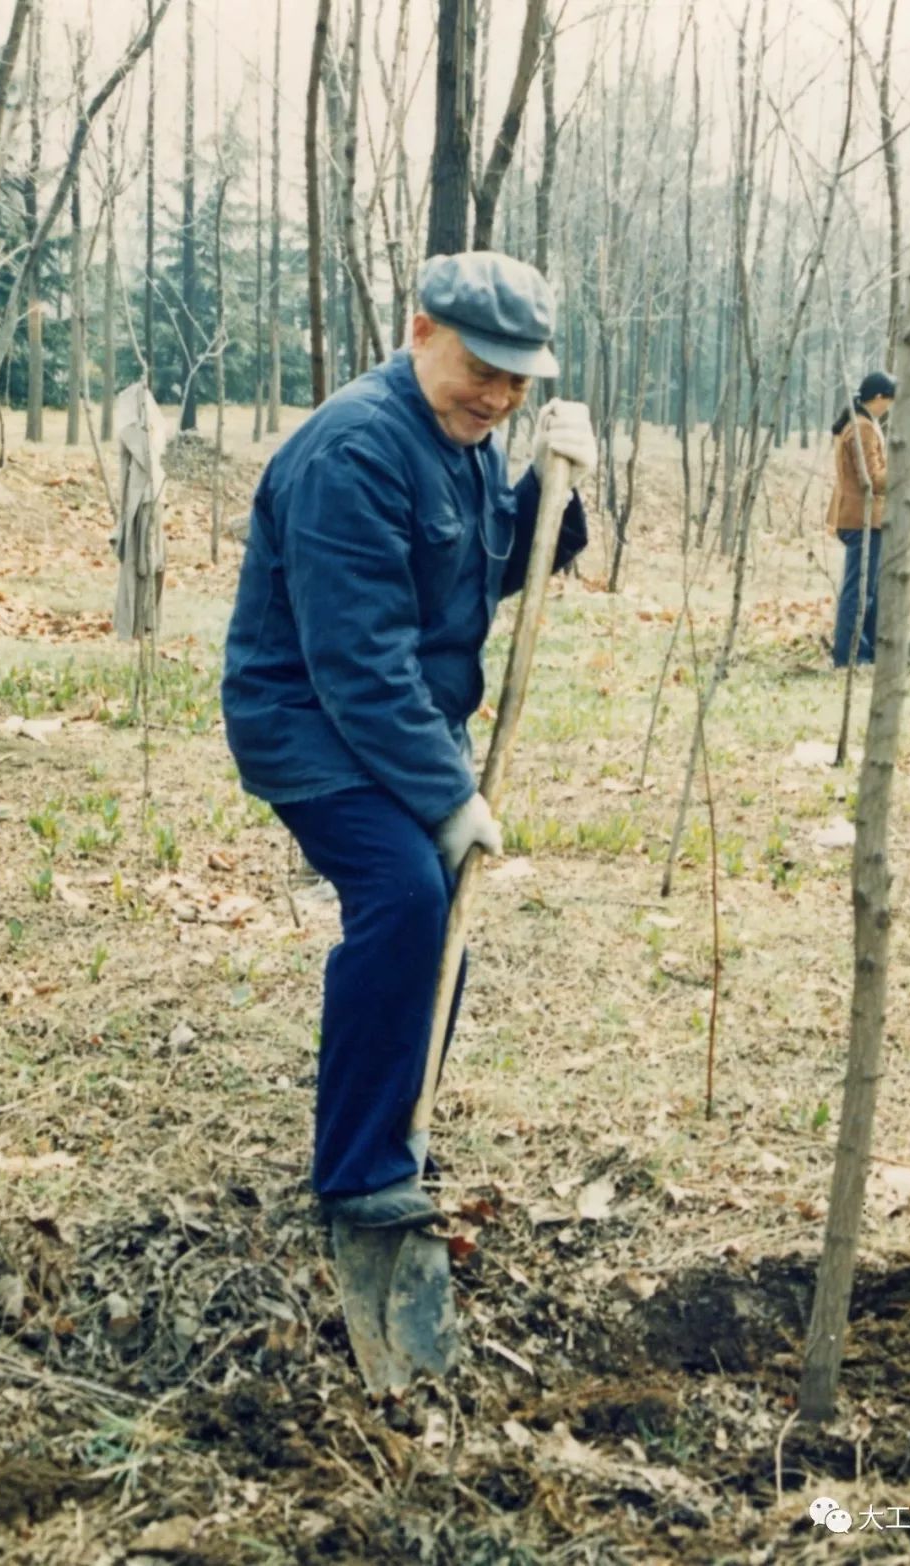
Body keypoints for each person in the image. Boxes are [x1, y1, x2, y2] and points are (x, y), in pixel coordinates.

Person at [222, 252, 595, 1231]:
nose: (500, 398)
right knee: (404, 898)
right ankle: (359, 1176)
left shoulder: (459, 437)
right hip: (308, 724)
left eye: (520, 382)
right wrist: (448, 796)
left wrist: (553, 495)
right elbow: (358, 662)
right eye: (484, 370)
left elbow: (480, 570)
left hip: (398, 723)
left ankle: (397, 1123)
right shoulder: (354, 452)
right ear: (421, 332)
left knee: (437, 910)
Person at [826, 371, 897, 667]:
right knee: (858, 592)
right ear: (878, 398)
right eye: (889, 401)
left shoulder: (861, 423)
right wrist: (902, 464)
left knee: (866, 590)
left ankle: (864, 652)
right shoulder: (863, 428)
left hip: (860, 517)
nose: (890, 407)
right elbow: (874, 480)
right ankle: (849, 656)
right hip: (861, 519)